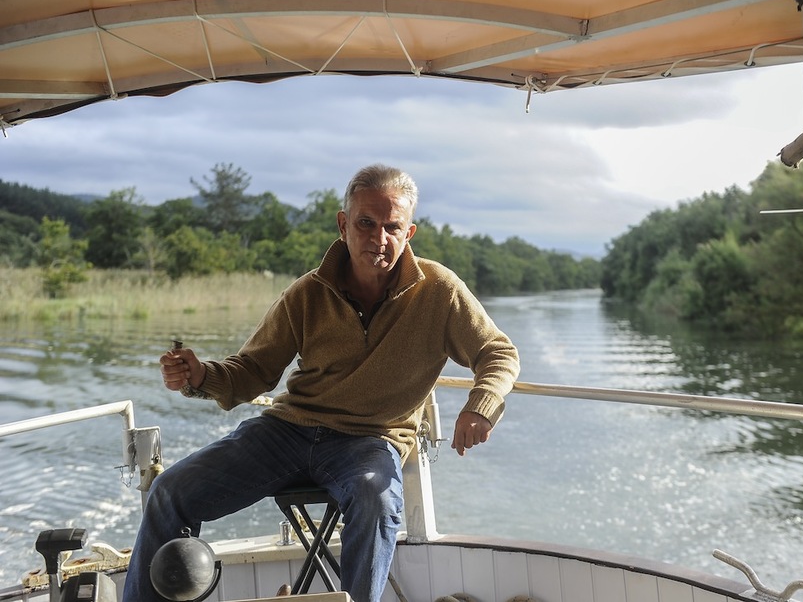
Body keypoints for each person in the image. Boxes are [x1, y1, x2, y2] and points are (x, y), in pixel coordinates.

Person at [123, 164, 520, 602]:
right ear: (343, 224)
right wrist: (200, 375)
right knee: (169, 492)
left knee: (377, 500)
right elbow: (253, 370)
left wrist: (479, 405)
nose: (379, 238)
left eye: (392, 227)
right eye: (366, 223)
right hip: (286, 431)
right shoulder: (308, 292)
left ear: (409, 234)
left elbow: (498, 352)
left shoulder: (439, 291)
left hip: (371, 439)